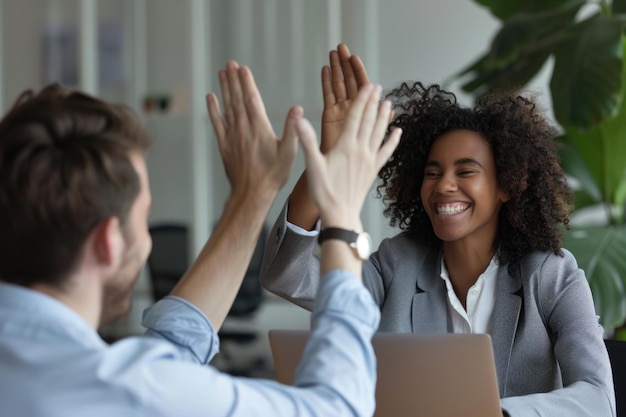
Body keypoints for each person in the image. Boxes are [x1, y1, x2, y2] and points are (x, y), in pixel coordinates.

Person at [0, 59, 401, 416]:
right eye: (144, 216)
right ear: (108, 241)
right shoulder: (116, 388)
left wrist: (251, 197)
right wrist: (343, 218)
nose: (149, 240)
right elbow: (339, 407)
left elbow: (166, 355)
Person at [259, 44, 616, 417]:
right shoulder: (396, 265)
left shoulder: (551, 276)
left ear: (507, 185)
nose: (444, 185)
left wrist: (492, 413)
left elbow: (598, 397)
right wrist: (328, 167)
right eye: (432, 172)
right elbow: (286, 275)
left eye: (465, 171)